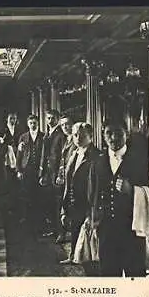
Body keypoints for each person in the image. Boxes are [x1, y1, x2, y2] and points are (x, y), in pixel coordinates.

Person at [94, 120, 149, 277]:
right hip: (106, 230)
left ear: (127, 134)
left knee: (135, 273)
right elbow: (94, 193)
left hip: (131, 229)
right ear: (103, 136)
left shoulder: (140, 160)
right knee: (109, 274)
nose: (113, 138)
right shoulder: (98, 161)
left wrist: (132, 190)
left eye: (118, 133)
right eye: (108, 133)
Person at [59, 122, 101, 265]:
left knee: (89, 234)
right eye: (75, 135)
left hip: (87, 200)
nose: (78, 138)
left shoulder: (96, 156)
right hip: (73, 199)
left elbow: (97, 186)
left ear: (90, 136)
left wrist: (92, 211)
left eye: (82, 135)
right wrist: (64, 207)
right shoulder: (74, 153)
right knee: (75, 228)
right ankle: (73, 256)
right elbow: (68, 180)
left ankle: (88, 262)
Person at [16, 115, 45, 236]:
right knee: (26, 195)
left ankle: (38, 222)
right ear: (28, 124)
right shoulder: (23, 137)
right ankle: (26, 221)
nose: (33, 125)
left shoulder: (43, 136)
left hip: (38, 170)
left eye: (35, 122)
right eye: (31, 123)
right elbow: (19, 155)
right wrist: (19, 170)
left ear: (38, 123)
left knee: (38, 196)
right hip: (26, 169)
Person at [39, 109, 65, 237]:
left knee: (58, 202)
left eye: (52, 118)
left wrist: (60, 175)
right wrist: (42, 173)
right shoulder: (47, 133)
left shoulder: (61, 134)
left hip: (56, 172)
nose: (50, 121)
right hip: (48, 172)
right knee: (49, 201)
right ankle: (53, 230)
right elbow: (44, 155)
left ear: (58, 119)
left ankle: (61, 232)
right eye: (48, 118)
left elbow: (63, 156)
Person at [54, 115, 77, 243]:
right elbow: (60, 159)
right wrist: (59, 175)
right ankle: (61, 233)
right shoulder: (63, 139)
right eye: (62, 125)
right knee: (61, 205)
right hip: (63, 177)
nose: (65, 127)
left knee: (71, 207)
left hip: (73, 178)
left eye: (67, 124)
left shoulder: (77, 139)